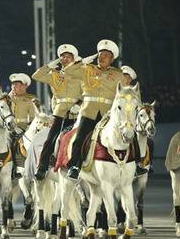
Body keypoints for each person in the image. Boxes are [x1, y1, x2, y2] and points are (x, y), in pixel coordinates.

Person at [66, 39, 124, 181]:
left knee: (127, 136)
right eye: (100, 54)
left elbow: (124, 94)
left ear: (111, 59)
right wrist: (84, 61)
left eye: (105, 55)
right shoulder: (87, 69)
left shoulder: (118, 75)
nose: (101, 57)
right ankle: (75, 166)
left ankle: (136, 164)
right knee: (80, 137)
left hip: (108, 115)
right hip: (89, 112)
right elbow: (68, 70)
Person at [32, 44, 83, 180]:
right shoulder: (55, 75)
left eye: (68, 56)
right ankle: (42, 167)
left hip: (77, 113)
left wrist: (80, 104)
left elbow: (88, 92)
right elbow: (36, 76)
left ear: (74, 59)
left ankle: (78, 166)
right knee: (51, 139)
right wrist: (50, 65)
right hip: (60, 113)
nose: (65, 59)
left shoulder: (82, 74)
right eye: (62, 56)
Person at [121, 65, 149, 176]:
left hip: (129, 120)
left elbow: (138, 105)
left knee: (134, 139)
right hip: (112, 117)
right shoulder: (114, 86)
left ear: (130, 79)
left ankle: (138, 164)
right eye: (122, 76)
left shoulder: (134, 91)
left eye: (126, 77)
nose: (123, 79)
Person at [8, 72, 37, 179]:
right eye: (13, 84)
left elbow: (34, 118)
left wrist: (28, 128)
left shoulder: (31, 99)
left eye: (18, 84)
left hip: (25, 129)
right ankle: (12, 169)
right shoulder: (7, 99)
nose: (15, 87)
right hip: (9, 129)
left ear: (25, 86)